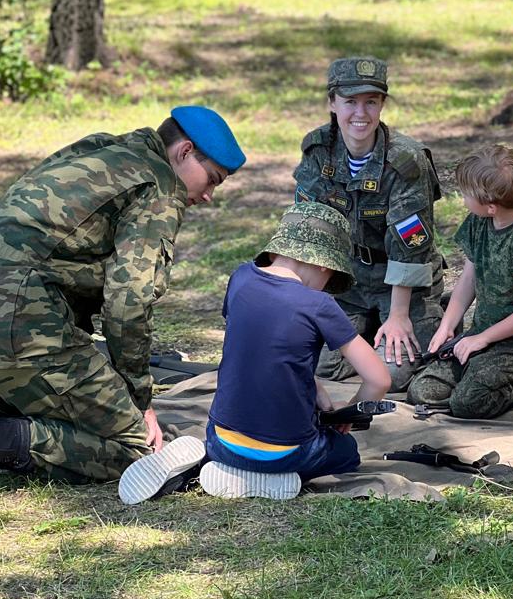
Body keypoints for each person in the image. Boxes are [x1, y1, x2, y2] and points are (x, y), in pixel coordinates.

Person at [0, 107, 245, 513]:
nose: (209, 196)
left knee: (74, 421)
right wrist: (139, 400)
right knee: (139, 450)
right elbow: (128, 303)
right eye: (212, 179)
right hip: (16, 331)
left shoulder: (102, 149)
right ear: (185, 151)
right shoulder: (160, 188)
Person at [118, 203, 391, 503]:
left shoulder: (241, 278)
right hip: (289, 453)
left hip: (222, 443)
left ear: (275, 250)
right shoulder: (319, 305)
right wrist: (348, 413)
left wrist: (314, 386)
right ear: (325, 264)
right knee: (346, 452)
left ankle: (215, 466)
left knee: (233, 442)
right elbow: (379, 380)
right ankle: (271, 476)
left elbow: (261, 347)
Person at [293, 57, 444, 392]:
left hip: (401, 286)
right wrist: (303, 301)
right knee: (316, 364)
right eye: (350, 101)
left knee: (392, 377)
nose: (360, 113)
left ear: (382, 104)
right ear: (332, 103)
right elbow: (306, 227)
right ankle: (369, 329)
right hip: (346, 282)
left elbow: (410, 247)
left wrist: (399, 316)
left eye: (371, 102)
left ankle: (428, 318)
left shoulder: (406, 162)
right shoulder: (318, 150)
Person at [408, 145, 513, 419]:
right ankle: (476, 377)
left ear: (491, 207)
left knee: (467, 402)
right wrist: (446, 328)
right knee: (421, 391)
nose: (462, 199)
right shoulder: (478, 223)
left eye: (466, 195)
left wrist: (481, 339)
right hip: (479, 339)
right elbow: (468, 280)